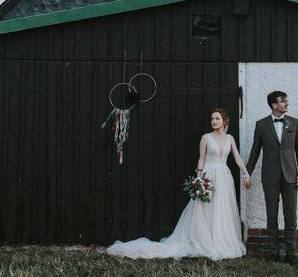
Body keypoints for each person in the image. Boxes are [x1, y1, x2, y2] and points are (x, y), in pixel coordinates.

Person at [107, 108, 250, 260]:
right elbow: (201, 159)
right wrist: (198, 178)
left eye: (217, 118)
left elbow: (237, 158)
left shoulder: (230, 139)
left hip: (224, 176)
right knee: (206, 209)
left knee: (222, 208)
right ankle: (206, 240)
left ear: (224, 121)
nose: (213, 121)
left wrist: (246, 173)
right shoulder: (206, 138)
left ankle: (221, 241)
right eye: (212, 119)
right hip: (210, 175)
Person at [245, 90, 298, 265]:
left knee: (291, 217)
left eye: (286, 100)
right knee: (271, 217)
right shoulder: (262, 125)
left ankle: (291, 253)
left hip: (290, 177)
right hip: (270, 177)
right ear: (274, 105)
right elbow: (255, 152)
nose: (287, 103)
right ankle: (273, 252)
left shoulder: (294, 123)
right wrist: (247, 173)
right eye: (282, 101)